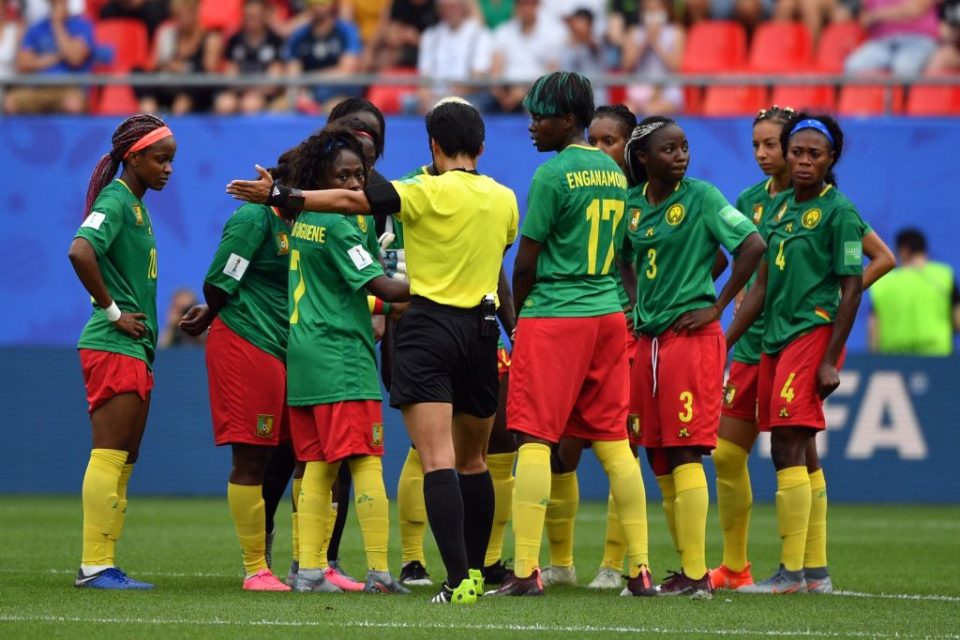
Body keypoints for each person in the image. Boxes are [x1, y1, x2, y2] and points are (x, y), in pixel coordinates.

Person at [226, 99, 520, 605]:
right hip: (482, 329)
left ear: (433, 145)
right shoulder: (506, 199)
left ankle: (457, 581)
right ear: (482, 146)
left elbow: (348, 204)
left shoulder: (421, 190)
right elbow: (499, 259)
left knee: (436, 461)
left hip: (427, 326)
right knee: (474, 461)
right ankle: (477, 568)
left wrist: (280, 193)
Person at [711, 107, 896, 593]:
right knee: (792, 448)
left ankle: (792, 572)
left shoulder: (839, 211)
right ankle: (812, 573)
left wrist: (832, 355)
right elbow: (760, 286)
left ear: (830, 157)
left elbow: (853, 285)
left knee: (789, 444)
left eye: (812, 154)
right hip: (770, 340)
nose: (801, 161)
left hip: (808, 336)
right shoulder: (771, 207)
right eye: (796, 153)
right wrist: (720, 340)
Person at [486, 72, 652, 598]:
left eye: (541, 116)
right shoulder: (611, 170)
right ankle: (641, 570)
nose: (532, 125)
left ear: (570, 120)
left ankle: (527, 571)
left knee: (532, 437)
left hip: (558, 313)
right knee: (613, 443)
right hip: (607, 314)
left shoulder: (553, 175)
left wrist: (520, 324)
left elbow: (526, 262)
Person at [623, 115, 766, 597]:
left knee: (685, 449)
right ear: (643, 159)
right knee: (658, 455)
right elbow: (625, 259)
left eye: (684, 147)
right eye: (669, 149)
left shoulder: (702, 197)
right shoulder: (632, 207)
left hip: (689, 340)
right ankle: (687, 568)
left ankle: (697, 573)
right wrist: (633, 301)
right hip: (649, 341)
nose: (681, 155)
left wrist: (717, 305)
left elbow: (752, 244)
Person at [280, 127, 411, 594]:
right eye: (345, 176)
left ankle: (310, 571)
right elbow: (382, 287)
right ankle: (378, 572)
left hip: (306, 352)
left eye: (360, 175)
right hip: (341, 353)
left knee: (317, 464)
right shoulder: (338, 224)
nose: (356, 185)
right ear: (321, 176)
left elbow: (343, 290)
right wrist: (441, 288)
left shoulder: (305, 220)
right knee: (367, 461)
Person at [174, 146, 302, 592]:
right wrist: (212, 312)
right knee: (251, 454)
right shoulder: (254, 219)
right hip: (249, 341)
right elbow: (219, 281)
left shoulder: (297, 225)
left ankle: (287, 556)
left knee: (289, 451)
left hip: (281, 347)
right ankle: (255, 569)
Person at [67, 114, 176, 589]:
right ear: (133, 158)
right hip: (114, 343)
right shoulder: (115, 199)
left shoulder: (135, 203)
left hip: (135, 347)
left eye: (171, 159)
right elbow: (79, 251)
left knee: (125, 458)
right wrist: (114, 313)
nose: (168, 168)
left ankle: (105, 562)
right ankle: (94, 565)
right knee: (110, 454)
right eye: (160, 158)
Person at [869, 228, 958, 355]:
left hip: (894, 362)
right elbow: (957, 321)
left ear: (903, 250)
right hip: (938, 360)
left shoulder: (883, 283)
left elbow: (873, 330)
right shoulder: (944, 276)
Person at [4, 0, 93, 115]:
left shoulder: (82, 25)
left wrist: (57, 24)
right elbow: (23, 64)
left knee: (73, 104)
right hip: (38, 87)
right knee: (11, 102)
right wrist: (57, 57)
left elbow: (75, 58)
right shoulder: (36, 28)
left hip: (68, 88)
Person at [136, 0, 223, 115]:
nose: (182, 20)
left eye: (186, 14)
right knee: (137, 73)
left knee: (194, 86)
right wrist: (171, 65)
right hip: (170, 83)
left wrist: (184, 68)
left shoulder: (210, 37)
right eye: (177, 16)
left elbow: (208, 71)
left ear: (196, 13)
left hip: (194, 89)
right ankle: (150, 112)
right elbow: (155, 64)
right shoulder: (168, 33)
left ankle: (178, 117)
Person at [285, 0, 362, 114]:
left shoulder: (347, 31)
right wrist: (298, 95)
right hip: (307, 94)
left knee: (332, 109)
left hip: (340, 93)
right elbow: (293, 74)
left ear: (331, 4)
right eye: (314, 3)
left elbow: (346, 71)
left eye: (322, 3)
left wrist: (310, 79)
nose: (318, 7)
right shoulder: (299, 35)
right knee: (280, 107)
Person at [415, 0, 493, 113]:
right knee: (409, 103)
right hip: (434, 97)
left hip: (467, 96)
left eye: (453, 7)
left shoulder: (479, 34)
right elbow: (424, 75)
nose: (449, 11)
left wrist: (449, 98)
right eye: (444, 7)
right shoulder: (430, 35)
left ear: (463, 7)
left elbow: (478, 76)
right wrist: (424, 94)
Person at [487, 0, 564, 113]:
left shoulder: (553, 32)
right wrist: (502, 95)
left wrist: (525, 93)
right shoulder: (503, 31)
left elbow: (553, 73)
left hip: (539, 92)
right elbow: (495, 69)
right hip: (506, 90)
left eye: (529, 3)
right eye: (521, 3)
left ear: (537, 5)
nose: (525, 8)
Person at [215, 0, 286, 115]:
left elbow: (273, 81)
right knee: (224, 103)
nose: (251, 20)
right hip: (239, 92)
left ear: (264, 16)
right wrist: (244, 90)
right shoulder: (235, 40)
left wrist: (253, 91)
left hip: (263, 94)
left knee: (250, 104)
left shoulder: (275, 41)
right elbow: (230, 76)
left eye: (255, 16)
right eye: (248, 16)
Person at [620, 0, 684, 116]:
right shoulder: (634, 32)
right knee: (625, 112)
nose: (653, 13)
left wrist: (656, 43)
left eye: (656, 9)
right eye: (649, 9)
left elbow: (675, 66)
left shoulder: (676, 32)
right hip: (640, 90)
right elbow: (627, 66)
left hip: (667, 90)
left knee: (652, 111)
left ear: (665, 10)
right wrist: (645, 42)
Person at [844, 0, 939, 77]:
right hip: (881, 41)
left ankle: (904, 100)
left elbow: (916, 9)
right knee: (854, 65)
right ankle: (874, 100)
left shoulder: (875, 15)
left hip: (917, 39)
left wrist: (875, 15)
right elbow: (859, 13)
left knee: (904, 68)